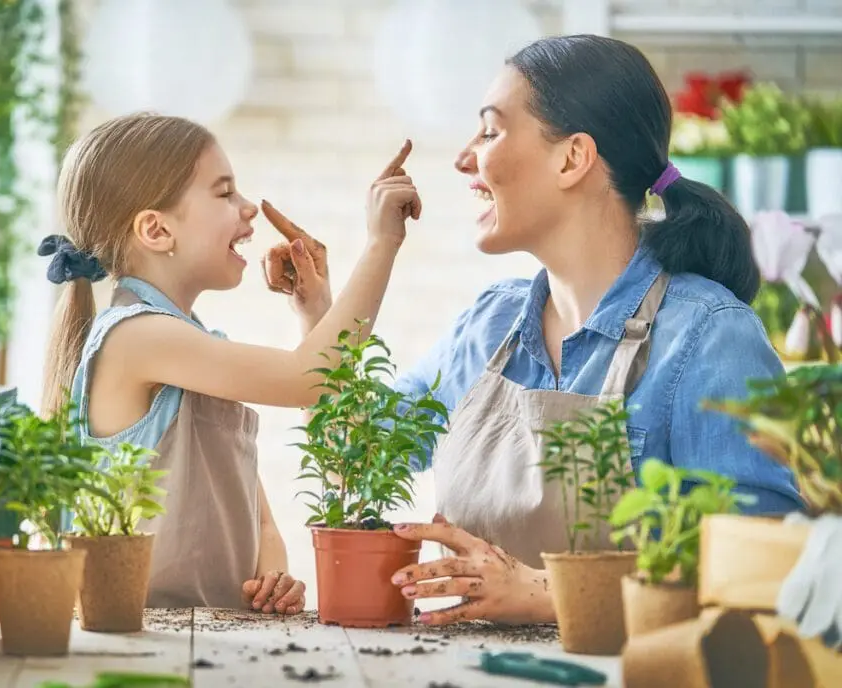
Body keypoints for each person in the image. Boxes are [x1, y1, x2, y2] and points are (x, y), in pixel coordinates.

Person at [262, 35, 804, 625]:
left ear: (572, 158)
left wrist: (547, 594)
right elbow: (354, 460)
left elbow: (766, 572)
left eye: (490, 132)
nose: (464, 159)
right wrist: (321, 308)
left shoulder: (709, 335)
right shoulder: (492, 323)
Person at [40, 113, 421, 613]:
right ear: (156, 230)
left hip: (206, 641)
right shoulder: (135, 336)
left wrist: (274, 576)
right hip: (141, 645)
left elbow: (260, 526)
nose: (248, 210)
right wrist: (382, 243)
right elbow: (309, 379)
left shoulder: (192, 347)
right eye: (224, 194)